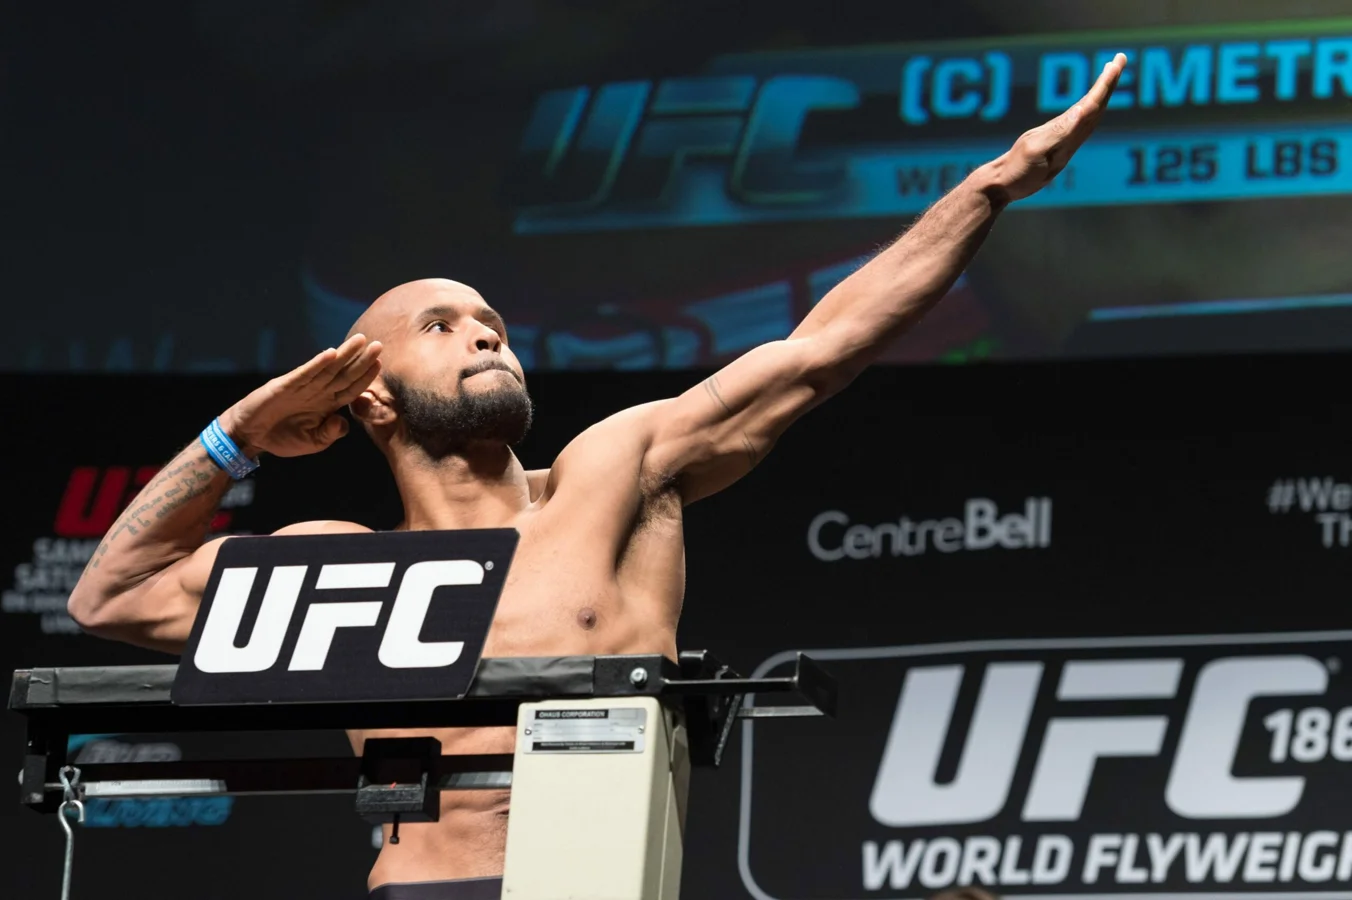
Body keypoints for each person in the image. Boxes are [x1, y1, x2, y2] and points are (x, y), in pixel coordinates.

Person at [67, 55, 1127, 900]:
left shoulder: (610, 481)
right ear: (370, 396)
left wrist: (991, 185)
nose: (486, 337)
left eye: (491, 322)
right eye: (441, 327)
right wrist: (237, 433)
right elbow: (107, 596)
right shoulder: (336, 569)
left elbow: (819, 349)